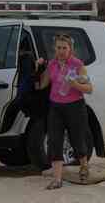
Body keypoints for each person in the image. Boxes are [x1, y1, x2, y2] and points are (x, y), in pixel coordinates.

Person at [37, 33, 93, 190]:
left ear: (70, 49)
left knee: (77, 139)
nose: (61, 51)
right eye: (58, 48)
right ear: (55, 49)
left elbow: (89, 89)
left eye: (64, 48)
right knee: (54, 141)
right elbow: (41, 85)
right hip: (56, 106)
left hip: (75, 106)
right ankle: (57, 179)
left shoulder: (78, 65)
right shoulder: (52, 65)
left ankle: (84, 165)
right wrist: (38, 69)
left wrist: (74, 83)